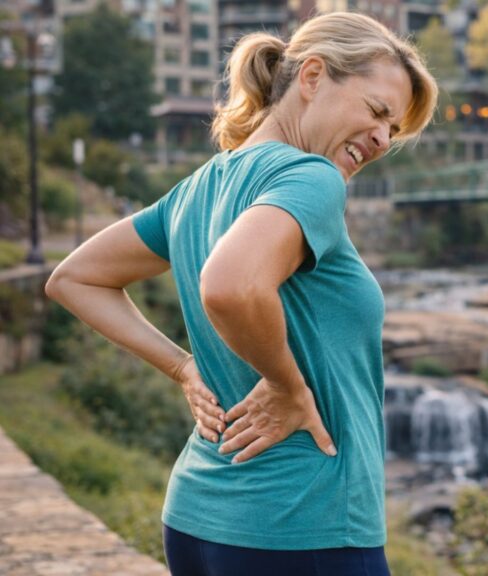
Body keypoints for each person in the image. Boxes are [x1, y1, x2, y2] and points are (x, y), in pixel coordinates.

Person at [45, 11, 438, 576]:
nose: (382, 139)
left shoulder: (196, 188)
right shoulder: (311, 178)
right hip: (305, 528)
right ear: (312, 78)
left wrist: (183, 368)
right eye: (377, 112)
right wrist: (286, 385)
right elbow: (229, 285)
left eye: (393, 131)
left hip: (198, 520)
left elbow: (75, 279)